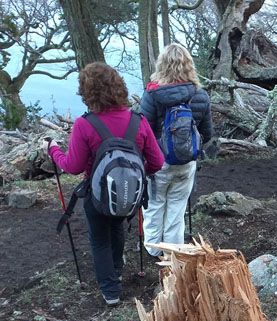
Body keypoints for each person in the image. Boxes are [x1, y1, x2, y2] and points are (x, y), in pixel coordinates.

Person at [44, 62, 164, 306]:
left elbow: (73, 166)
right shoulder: (137, 121)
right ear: (118, 86)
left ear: (86, 92)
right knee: (117, 228)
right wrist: (137, 173)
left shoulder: (84, 124)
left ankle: (111, 292)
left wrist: (53, 150)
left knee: (99, 239)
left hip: (97, 196)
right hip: (128, 196)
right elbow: (157, 162)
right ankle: (117, 271)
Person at [140, 43, 214, 256]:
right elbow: (207, 134)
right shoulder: (200, 95)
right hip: (186, 163)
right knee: (176, 211)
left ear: (162, 65)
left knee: (154, 207)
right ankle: (174, 254)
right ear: (189, 65)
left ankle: (155, 253)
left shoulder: (152, 94)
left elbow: (143, 131)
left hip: (157, 164)